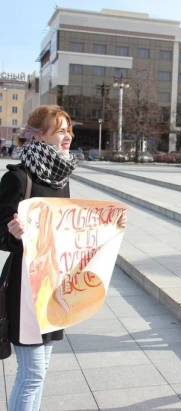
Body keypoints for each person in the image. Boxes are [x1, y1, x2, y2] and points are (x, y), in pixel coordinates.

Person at [0, 105, 125, 411]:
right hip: (25, 286)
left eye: (69, 129)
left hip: (54, 284)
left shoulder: (61, 178)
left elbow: (68, 231)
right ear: (39, 135)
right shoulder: (18, 178)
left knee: (40, 373)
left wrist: (104, 230)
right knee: (32, 373)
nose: (67, 136)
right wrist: (12, 232)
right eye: (60, 130)